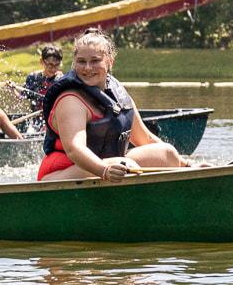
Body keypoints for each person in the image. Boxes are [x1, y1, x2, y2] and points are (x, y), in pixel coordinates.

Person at [37, 28, 192, 182]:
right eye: (81, 61)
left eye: (95, 60)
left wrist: (187, 166)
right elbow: (74, 149)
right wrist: (104, 170)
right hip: (60, 174)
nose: (88, 68)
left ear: (110, 61)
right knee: (127, 164)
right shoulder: (70, 101)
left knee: (167, 153)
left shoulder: (119, 97)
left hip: (108, 166)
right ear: (74, 63)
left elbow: (145, 139)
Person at [9, 43, 65, 112]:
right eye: (50, 65)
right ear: (41, 61)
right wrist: (13, 88)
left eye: (57, 65)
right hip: (37, 118)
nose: (53, 69)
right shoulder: (33, 78)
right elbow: (21, 97)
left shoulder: (61, 80)